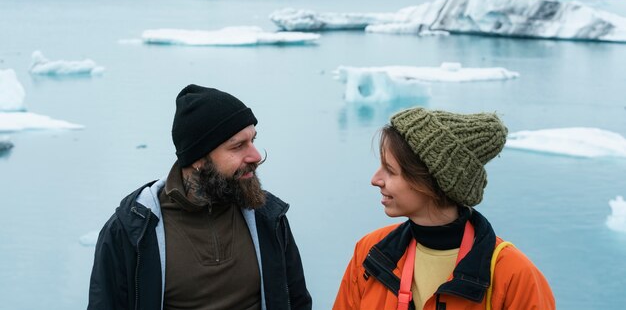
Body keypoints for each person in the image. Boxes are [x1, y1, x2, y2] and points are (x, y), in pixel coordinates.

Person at [88, 84, 312, 310]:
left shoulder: (267, 216)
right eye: (238, 146)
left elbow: (298, 302)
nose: (255, 155)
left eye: (253, 140)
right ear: (198, 159)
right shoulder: (133, 229)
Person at [333, 107, 555, 310]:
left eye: (390, 170)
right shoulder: (370, 252)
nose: (375, 179)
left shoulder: (514, 276)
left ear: (429, 181)